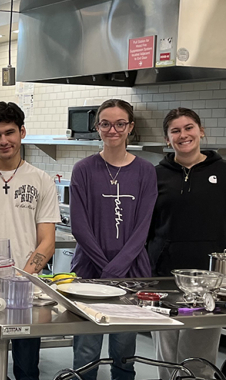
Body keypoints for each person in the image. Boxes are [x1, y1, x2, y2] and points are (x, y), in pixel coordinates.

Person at [148, 107, 226, 378]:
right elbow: (144, 228)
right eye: (175, 130)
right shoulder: (155, 175)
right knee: (166, 358)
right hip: (164, 278)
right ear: (167, 139)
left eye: (189, 127)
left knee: (198, 359)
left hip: (211, 282)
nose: (183, 135)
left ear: (201, 131)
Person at [0, 102, 59, 380]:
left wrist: (22, 279)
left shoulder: (41, 180)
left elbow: (47, 240)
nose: (3, 140)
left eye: (9, 132)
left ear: (22, 132)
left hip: (25, 290)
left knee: (27, 369)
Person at [68, 98, 157, 380]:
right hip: (89, 275)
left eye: (120, 124)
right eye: (105, 124)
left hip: (131, 275)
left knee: (124, 352)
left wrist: (118, 268)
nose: (113, 130)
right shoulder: (83, 169)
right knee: (85, 352)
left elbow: (143, 227)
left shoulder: (145, 171)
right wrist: (106, 269)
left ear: (130, 127)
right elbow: (79, 227)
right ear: (97, 128)